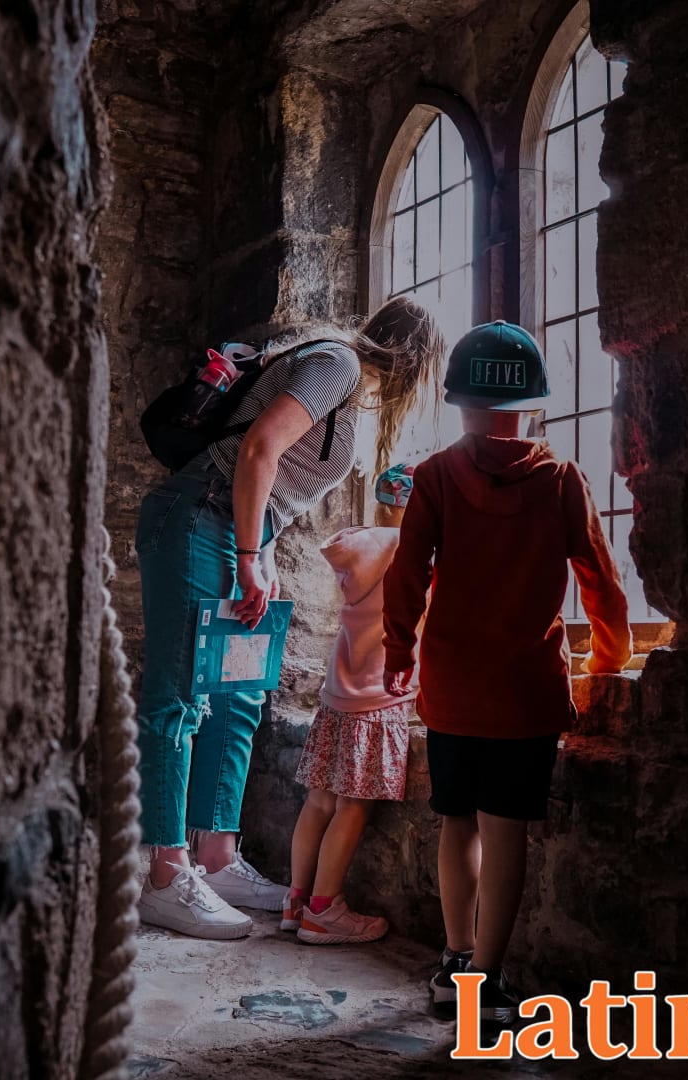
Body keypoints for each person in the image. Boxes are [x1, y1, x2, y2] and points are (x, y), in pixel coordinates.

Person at [133, 296, 445, 940]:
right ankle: (165, 874)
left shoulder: (343, 384)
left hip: (241, 527)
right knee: (181, 696)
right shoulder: (338, 365)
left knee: (240, 694)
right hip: (199, 516)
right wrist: (250, 553)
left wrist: (263, 551)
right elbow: (257, 452)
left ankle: (216, 861)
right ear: (416, 362)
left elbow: (272, 483)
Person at [381, 321, 632, 1026]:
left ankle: (452, 960)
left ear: (459, 400)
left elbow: (406, 579)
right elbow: (602, 584)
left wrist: (400, 655)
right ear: (534, 403)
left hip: (452, 688)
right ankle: (484, 984)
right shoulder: (559, 479)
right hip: (523, 694)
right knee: (508, 834)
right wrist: (609, 661)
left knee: (455, 823)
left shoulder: (433, 477)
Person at [283, 463, 424, 945]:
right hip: (379, 697)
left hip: (337, 694)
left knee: (319, 799)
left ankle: (296, 900)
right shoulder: (416, 555)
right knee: (352, 807)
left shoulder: (355, 549)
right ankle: (324, 911)